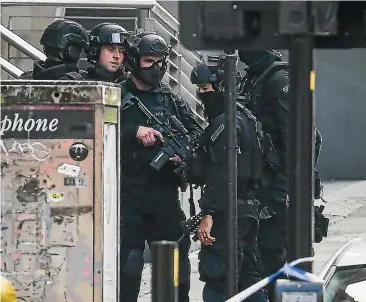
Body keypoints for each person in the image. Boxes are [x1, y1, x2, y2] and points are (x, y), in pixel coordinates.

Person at [120, 32, 202, 302]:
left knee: (175, 265)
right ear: (134, 61)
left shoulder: (170, 99)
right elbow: (95, 130)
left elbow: (195, 134)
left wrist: (182, 156)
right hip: (126, 196)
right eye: (148, 60)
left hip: (164, 193)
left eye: (160, 61)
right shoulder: (116, 96)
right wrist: (133, 131)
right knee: (128, 266)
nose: (155, 67)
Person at [238, 50, 323, 299]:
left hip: (279, 192)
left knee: (282, 264)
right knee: (262, 262)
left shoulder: (278, 80)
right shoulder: (255, 77)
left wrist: (283, 191)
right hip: (262, 188)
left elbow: (303, 141)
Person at [190, 60, 269, 302]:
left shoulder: (226, 123)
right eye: (199, 89)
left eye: (206, 88)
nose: (202, 95)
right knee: (248, 280)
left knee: (218, 279)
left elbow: (223, 171)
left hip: (228, 212)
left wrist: (209, 213)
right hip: (248, 209)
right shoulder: (245, 118)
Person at [20, 19, 89, 80]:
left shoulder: (26, 77)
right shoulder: (76, 82)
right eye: (78, 50)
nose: (79, 55)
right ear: (71, 51)